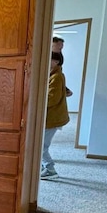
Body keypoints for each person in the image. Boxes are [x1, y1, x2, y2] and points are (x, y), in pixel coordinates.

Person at [41, 51, 70, 179]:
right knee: (41, 144)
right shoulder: (51, 74)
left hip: (52, 117)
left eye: (49, 59)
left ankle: (50, 170)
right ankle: (43, 167)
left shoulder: (57, 76)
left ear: (56, 61)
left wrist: (36, 101)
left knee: (41, 146)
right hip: (50, 117)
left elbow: (52, 98)